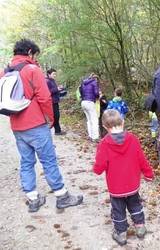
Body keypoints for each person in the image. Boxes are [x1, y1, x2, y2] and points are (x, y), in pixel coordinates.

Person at [0, 39, 83, 212]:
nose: (36, 58)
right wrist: (50, 119)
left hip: (16, 126)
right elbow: (45, 98)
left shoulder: (6, 72)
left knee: (26, 161)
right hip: (36, 124)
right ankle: (62, 196)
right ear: (30, 52)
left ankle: (33, 199)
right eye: (35, 55)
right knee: (49, 160)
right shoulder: (32, 70)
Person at [93, 109, 154, 246]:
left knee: (118, 209)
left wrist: (96, 169)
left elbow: (99, 166)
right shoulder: (132, 139)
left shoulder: (104, 144)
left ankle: (121, 233)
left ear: (104, 127)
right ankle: (140, 226)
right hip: (133, 184)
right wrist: (148, 174)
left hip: (116, 187)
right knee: (135, 204)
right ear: (123, 122)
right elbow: (142, 159)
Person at [80, 73, 100, 142]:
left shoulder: (84, 82)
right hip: (90, 102)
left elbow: (81, 92)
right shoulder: (94, 82)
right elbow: (96, 93)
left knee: (89, 120)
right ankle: (95, 137)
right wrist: (97, 97)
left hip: (83, 102)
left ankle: (90, 136)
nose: (97, 81)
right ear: (95, 78)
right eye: (97, 80)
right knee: (94, 120)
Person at [46, 68, 66, 135]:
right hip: (52, 102)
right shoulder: (47, 81)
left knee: (57, 116)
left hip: (55, 101)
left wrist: (59, 89)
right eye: (53, 74)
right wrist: (56, 89)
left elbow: (54, 90)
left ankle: (57, 131)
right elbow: (48, 92)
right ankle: (56, 130)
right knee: (55, 116)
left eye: (55, 74)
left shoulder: (52, 81)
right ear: (49, 74)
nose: (55, 75)